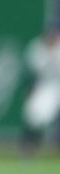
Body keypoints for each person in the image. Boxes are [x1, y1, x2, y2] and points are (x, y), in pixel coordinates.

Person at [19, 22, 60, 156]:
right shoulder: (36, 48)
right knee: (33, 114)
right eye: (49, 34)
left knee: (45, 116)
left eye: (54, 35)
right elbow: (30, 73)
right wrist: (29, 90)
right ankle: (28, 146)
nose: (51, 37)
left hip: (57, 85)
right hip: (43, 86)